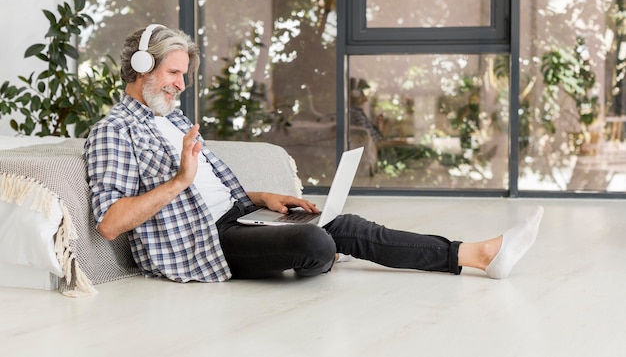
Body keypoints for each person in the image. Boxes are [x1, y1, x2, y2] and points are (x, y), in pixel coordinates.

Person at [84, 24, 543, 284]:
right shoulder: (114, 131)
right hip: (204, 244)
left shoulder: (174, 119)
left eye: (184, 74)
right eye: (173, 73)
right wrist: (179, 180)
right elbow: (109, 223)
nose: (181, 85)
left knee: (345, 225)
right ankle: (320, 252)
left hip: (238, 218)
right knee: (314, 241)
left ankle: (476, 254)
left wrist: (262, 198)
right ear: (141, 68)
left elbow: (210, 190)